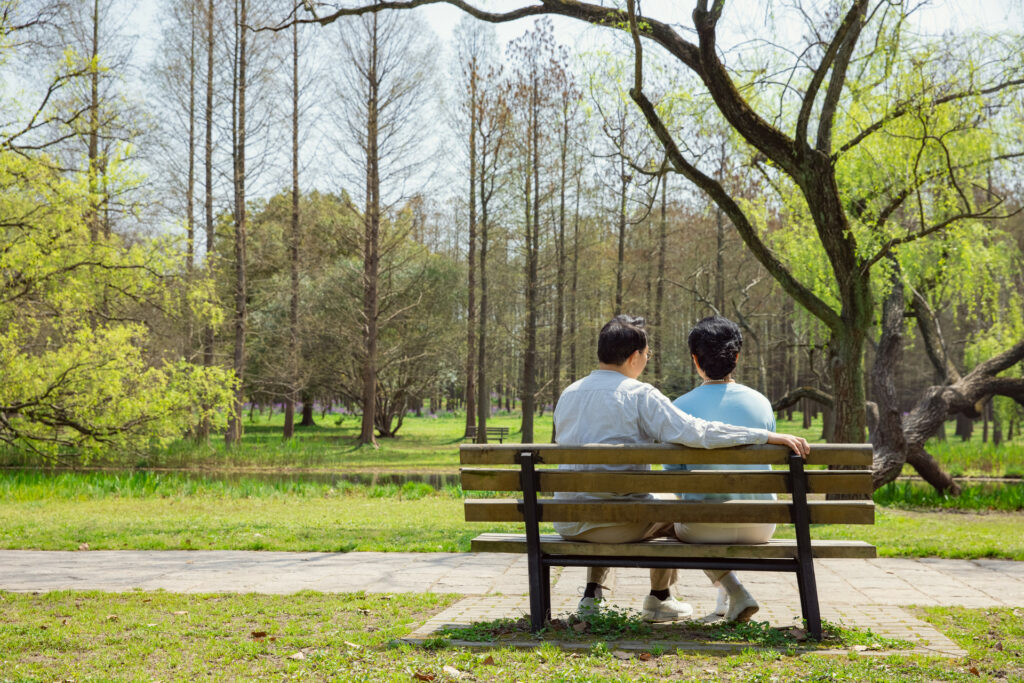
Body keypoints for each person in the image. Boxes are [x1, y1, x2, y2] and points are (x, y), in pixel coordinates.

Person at [552, 314, 809, 623]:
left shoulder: (569, 394)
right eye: (646, 355)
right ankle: (672, 598)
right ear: (634, 357)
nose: (646, 360)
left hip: (567, 521)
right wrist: (762, 436)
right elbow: (697, 432)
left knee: (617, 499)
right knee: (677, 510)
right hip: (617, 525)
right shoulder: (639, 395)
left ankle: (591, 597)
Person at [666, 315, 778, 623]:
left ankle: (732, 590)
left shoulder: (679, 406)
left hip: (704, 528)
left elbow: (675, 480)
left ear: (694, 359)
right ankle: (727, 597)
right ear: (737, 357)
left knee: (676, 519)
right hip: (762, 525)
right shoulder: (761, 404)